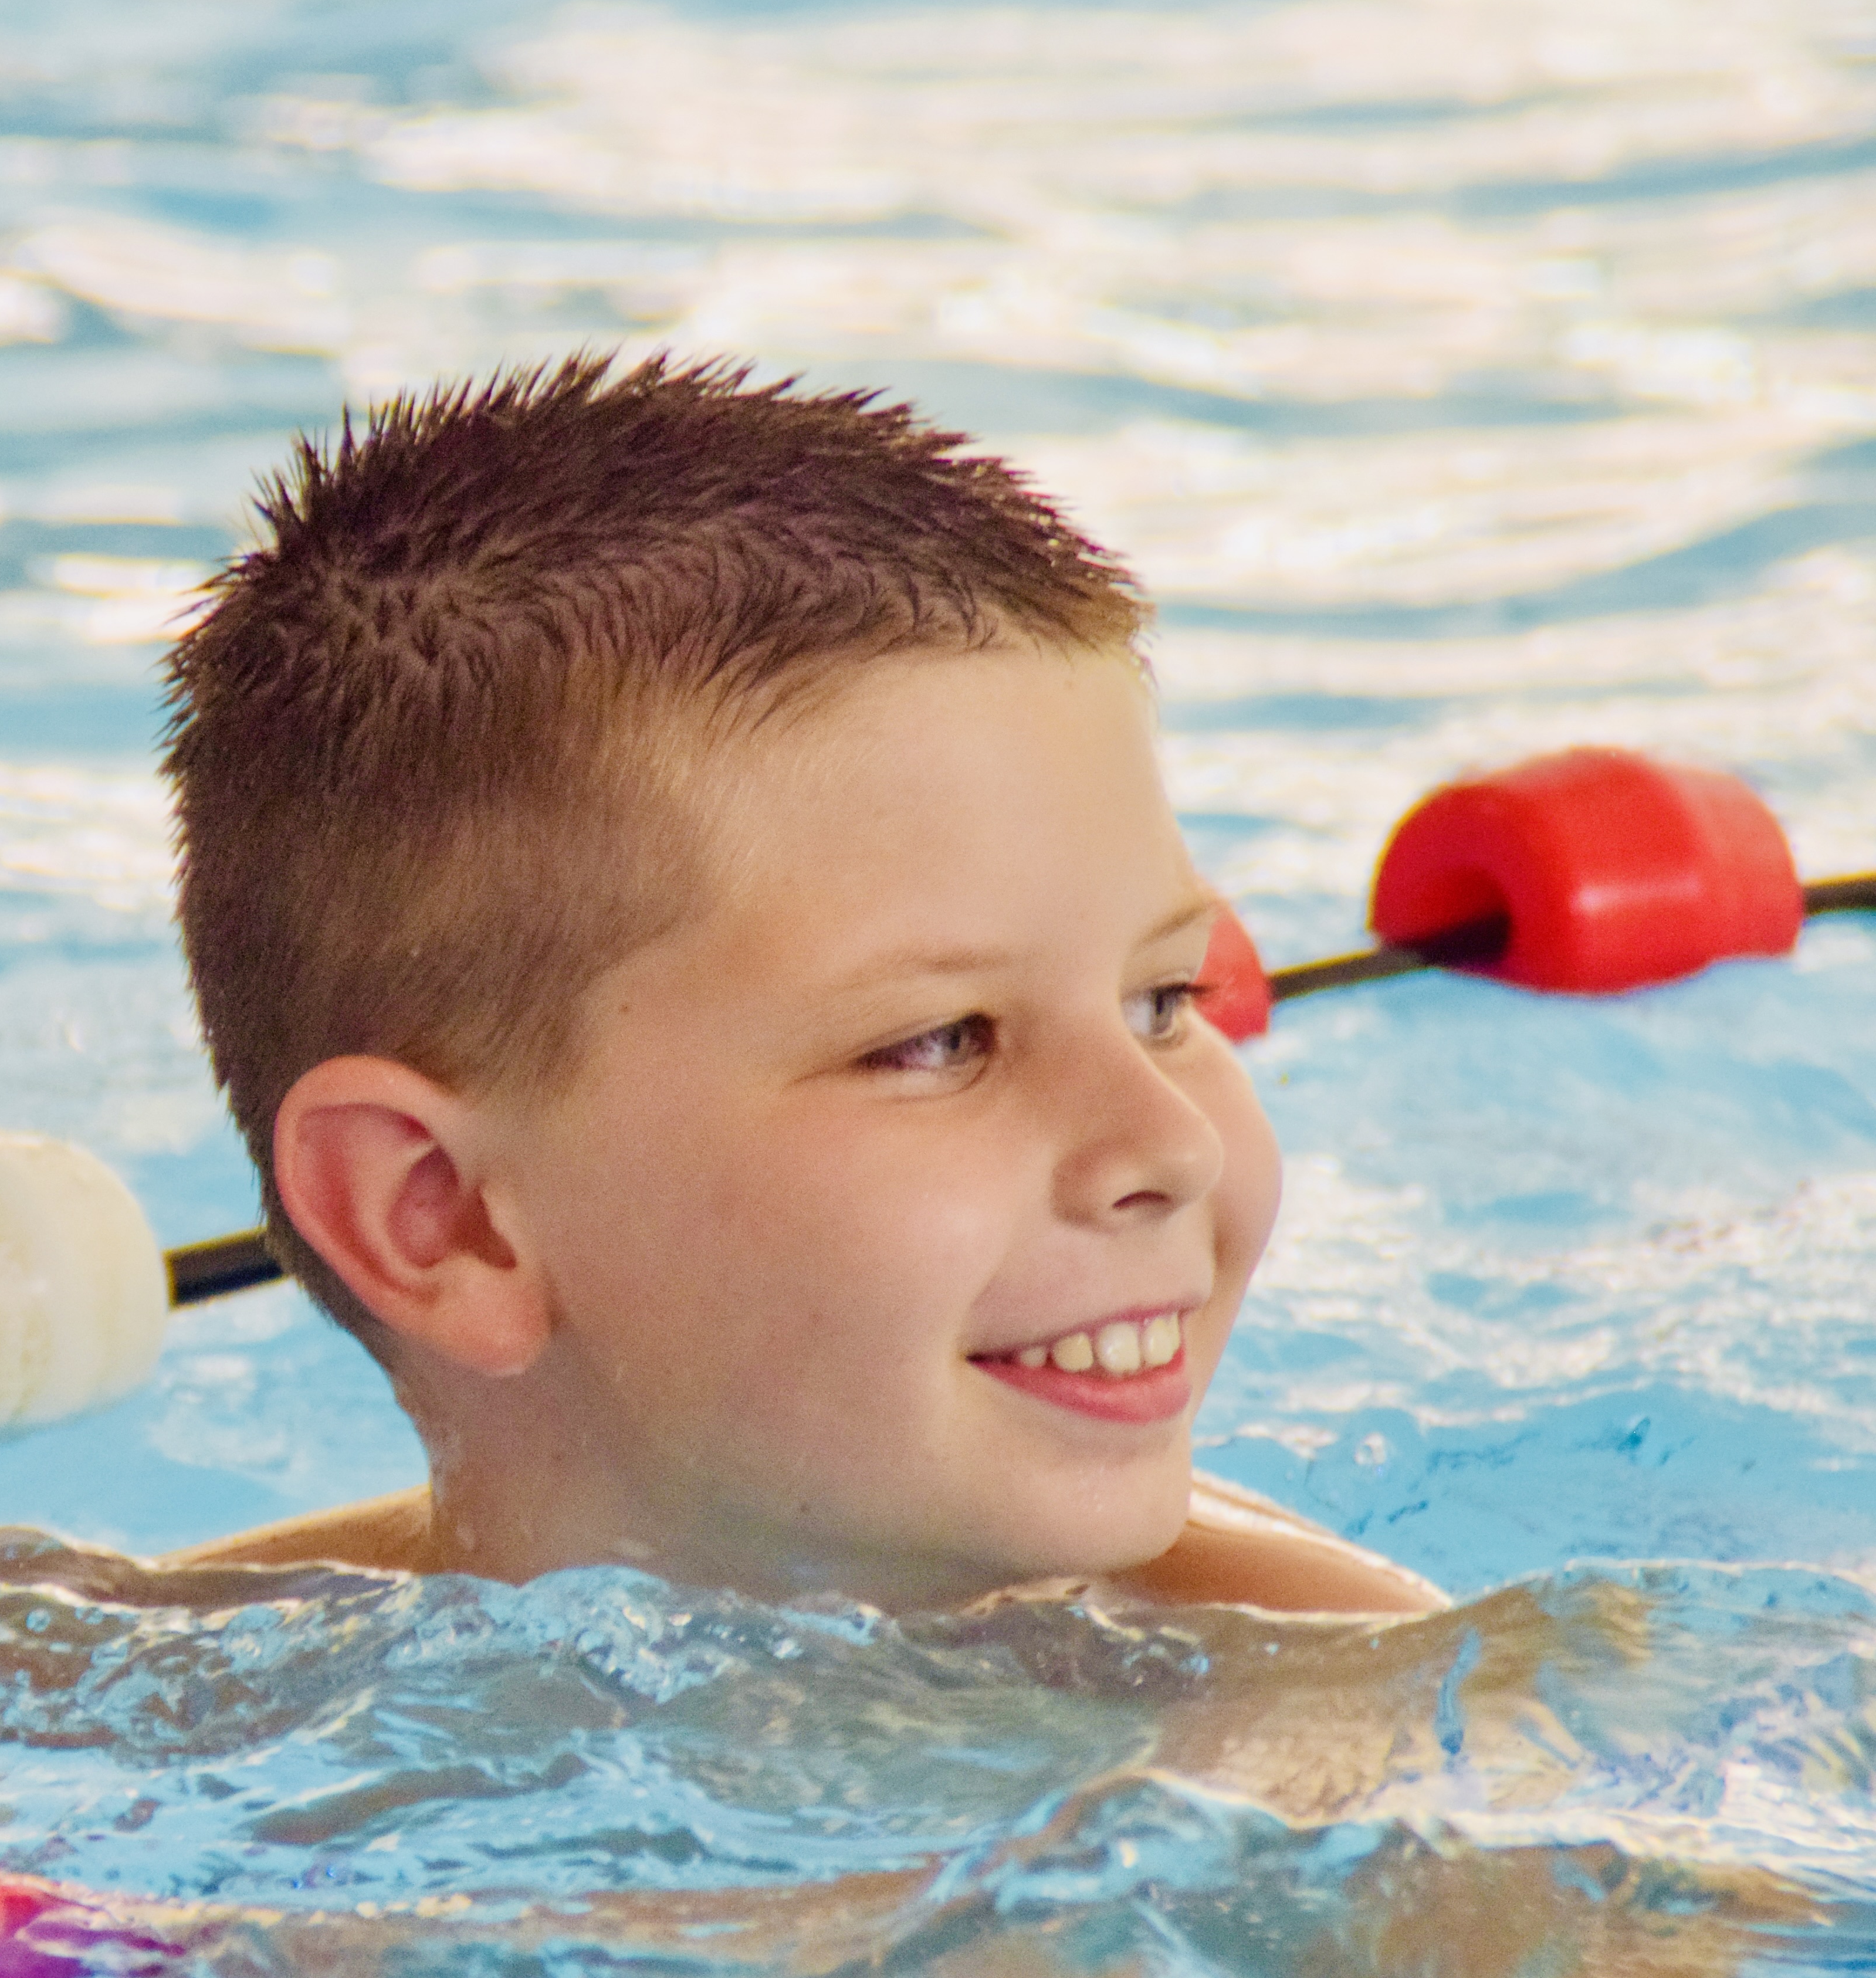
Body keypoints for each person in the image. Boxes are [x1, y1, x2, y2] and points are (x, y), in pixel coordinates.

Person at [155, 354, 1440, 1617]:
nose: (1174, 1145)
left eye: (1162, 1001)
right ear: (445, 1219)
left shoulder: (1362, 1705)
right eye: (942, 1041)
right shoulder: (133, 1688)